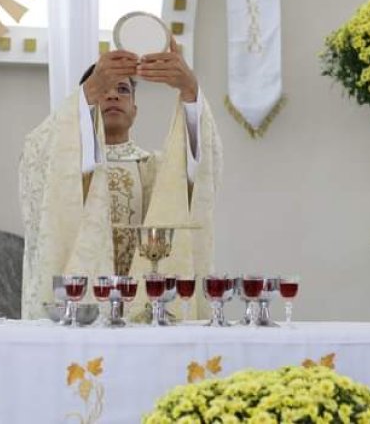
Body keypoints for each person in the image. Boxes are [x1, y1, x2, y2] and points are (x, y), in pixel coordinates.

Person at [19, 38, 222, 319]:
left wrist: (190, 92)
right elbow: (40, 157)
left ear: (135, 110)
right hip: (84, 310)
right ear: (87, 101)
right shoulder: (63, 152)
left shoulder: (154, 169)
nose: (112, 96)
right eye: (104, 89)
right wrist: (89, 89)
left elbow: (195, 172)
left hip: (143, 311)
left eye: (123, 89)